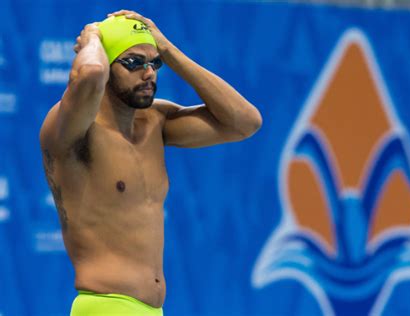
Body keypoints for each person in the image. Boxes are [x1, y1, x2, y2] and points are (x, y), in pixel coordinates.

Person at [39, 9, 262, 316]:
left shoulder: (156, 123)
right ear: (106, 63)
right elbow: (89, 74)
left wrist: (168, 50)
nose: (149, 73)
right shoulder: (72, 129)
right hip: (105, 306)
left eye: (153, 63)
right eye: (133, 63)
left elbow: (245, 122)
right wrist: (93, 37)